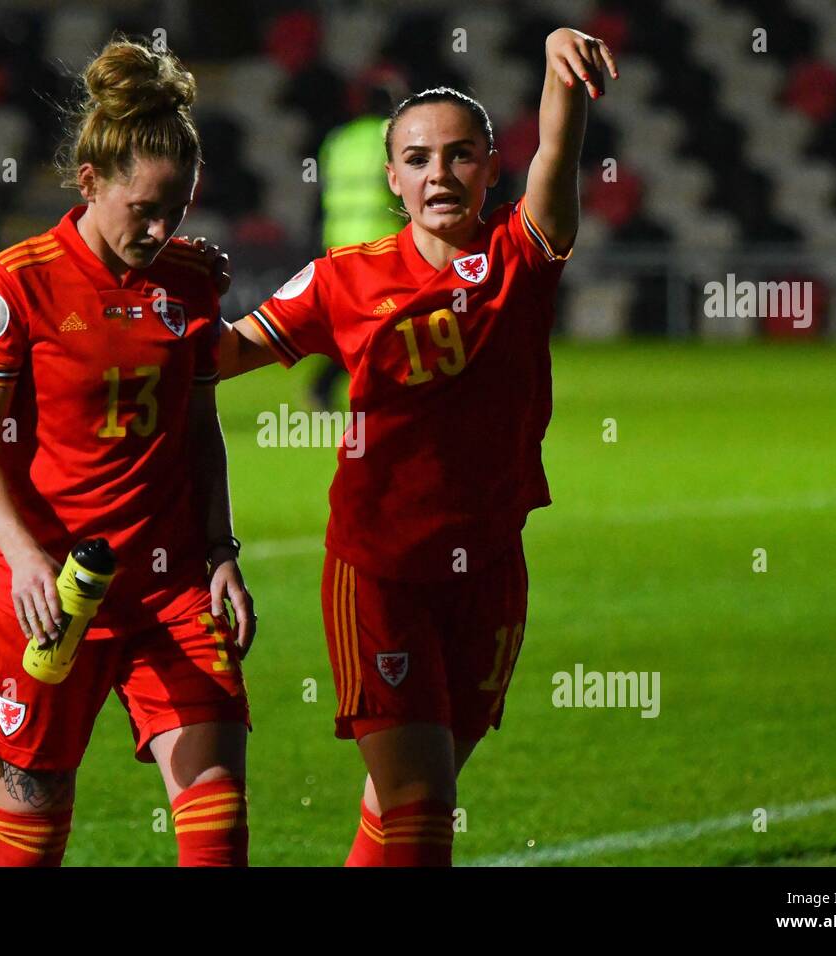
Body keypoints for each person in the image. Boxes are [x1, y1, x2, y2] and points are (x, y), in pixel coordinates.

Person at [219, 28, 618, 866]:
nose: (440, 173)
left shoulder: (521, 256)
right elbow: (219, 357)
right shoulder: (342, 279)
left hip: (490, 568)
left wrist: (559, 70)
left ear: (489, 168)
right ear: (392, 178)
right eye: (419, 158)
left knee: (405, 798)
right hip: (382, 571)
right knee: (421, 802)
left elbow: (559, 147)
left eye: (461, 155)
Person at [0, 36, 255, 867]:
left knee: (217, 836)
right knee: (30, 843)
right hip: (50, 598)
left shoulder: (191, 279)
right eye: (144, 209)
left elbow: (200, 428)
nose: (159, 229)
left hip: (170, 594)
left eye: (178, 210)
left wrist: (222, 550)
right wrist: (21, 560)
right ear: (90, 183)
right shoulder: (17, 283)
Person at [307, 68, 406, 411]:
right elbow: (400, 188)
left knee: (363, 322)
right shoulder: (389, 136)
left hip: (338, 241)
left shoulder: (339, 139)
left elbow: (323, 192)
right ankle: (365, 390)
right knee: (386, 321)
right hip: (380, 241)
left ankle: (334, 388)